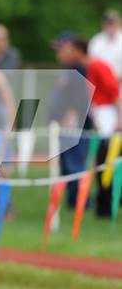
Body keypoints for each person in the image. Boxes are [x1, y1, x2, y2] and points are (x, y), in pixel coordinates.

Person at [68, 35, 119, 217]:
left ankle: (107, 204)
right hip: (102, 119)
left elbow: (114, 91)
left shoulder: (97, 65)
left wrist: (120, 119)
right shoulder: (89, 68)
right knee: (102, 162)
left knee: (107, 160)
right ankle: (105, 206)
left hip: (110, 120)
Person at [49, 32, 92, 208]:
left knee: (75, 164)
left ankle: (83, 202)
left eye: (61, 49)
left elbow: (83, 95)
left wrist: (72, 114)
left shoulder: (81, 69)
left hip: (75, 124)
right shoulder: (68, 69)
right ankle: (73, 201)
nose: (58, 53)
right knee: (67, 164)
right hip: (64, 124)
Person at [88, 9, 122, 80]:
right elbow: (91, 63)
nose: (110, 25)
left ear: (119, 23)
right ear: (103, 24)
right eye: (108, 22)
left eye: (112, 22)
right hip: (101, 85)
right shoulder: (96, 41)